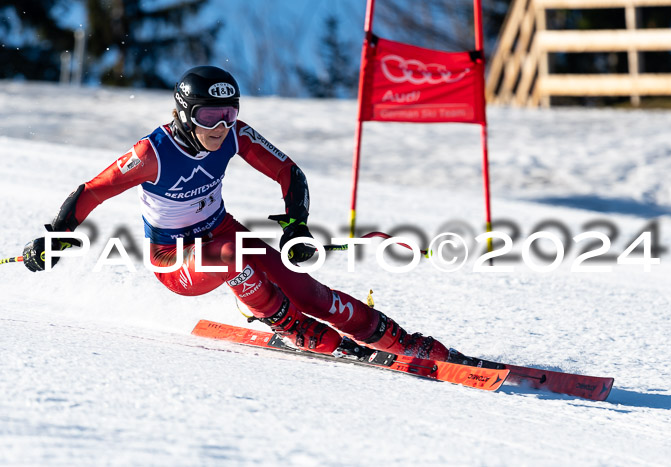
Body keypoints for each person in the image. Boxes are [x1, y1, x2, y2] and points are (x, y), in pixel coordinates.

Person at [22, 65, 467, 362]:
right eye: (210, 115)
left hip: (223, 232)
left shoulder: (235, 134)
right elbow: (91, 192)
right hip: (174, 261)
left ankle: (401, 341)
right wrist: (56, 237)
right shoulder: (151, 153)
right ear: (183, 114)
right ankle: (290, 326)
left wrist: (295, 226)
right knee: (234, 258)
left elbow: (290, 174)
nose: (221, 126)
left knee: (307, 289)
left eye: (229, 113)